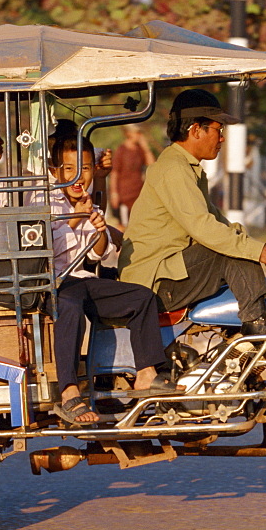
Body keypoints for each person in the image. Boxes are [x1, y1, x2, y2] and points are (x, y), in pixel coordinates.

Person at [118, 88, 266, 335]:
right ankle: (256, 323)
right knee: (228, 250)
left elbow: (219, 224)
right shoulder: (173, 168)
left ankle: (237, 339)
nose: (222, 139)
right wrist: (256, 251)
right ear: (196, 130)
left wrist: (263, 247)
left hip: (170, 274)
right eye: (219, 130)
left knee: (234, 245)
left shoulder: (188, 168)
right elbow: (205, 229)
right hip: (154, 284)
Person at [43, 135, 176, 425]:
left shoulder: (91, 204)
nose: (78, 176)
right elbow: (46, 251)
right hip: (54, 283)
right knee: (69, 306)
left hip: (82, 279)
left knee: (142, 298)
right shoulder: (46, 203)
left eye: (86, 169)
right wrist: (77, 218)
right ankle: (68, 391)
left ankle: (146, 373)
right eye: (68, 169)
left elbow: (100, 256)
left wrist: (101, 230)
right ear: (55, 172)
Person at [109, 124, 155, 229]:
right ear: (128, 133)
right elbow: (114, 173)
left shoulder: (139, 150)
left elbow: (152, 164)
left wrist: (145, 147)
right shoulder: (121, 150)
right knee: (124, 224)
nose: (139, 135)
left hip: (138, 192)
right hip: (124, 193)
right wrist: (114, 193)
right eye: (137, 133)